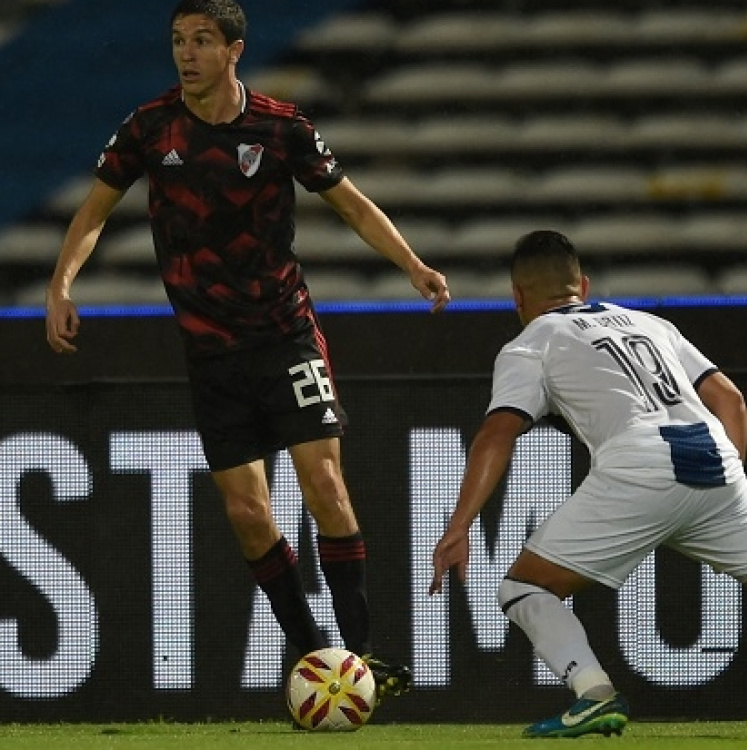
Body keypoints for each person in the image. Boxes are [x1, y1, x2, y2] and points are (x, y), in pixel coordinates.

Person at [45, 0, 449, 702]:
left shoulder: (281, 127)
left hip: (285, 335)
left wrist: (412, 265)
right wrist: (60, 286)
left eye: (201, 40)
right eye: (178, 40)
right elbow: (93, 212)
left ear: (233, 50)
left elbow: (351, 203)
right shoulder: (150, 127)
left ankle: (360, 655)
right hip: (211, 353)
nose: (186, 52)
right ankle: (317, 659)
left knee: (326, 487)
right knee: (247, 513)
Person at [429, 230, 747, 738]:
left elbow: (497, 432)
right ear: (583, 286)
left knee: (525, 587)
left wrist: (459, 525)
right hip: (715, 462)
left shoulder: (531, 343)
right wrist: (729, 489)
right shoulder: (652, 324)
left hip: (638, 463)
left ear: (518, 297)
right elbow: (730, 399)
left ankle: (594, 694)